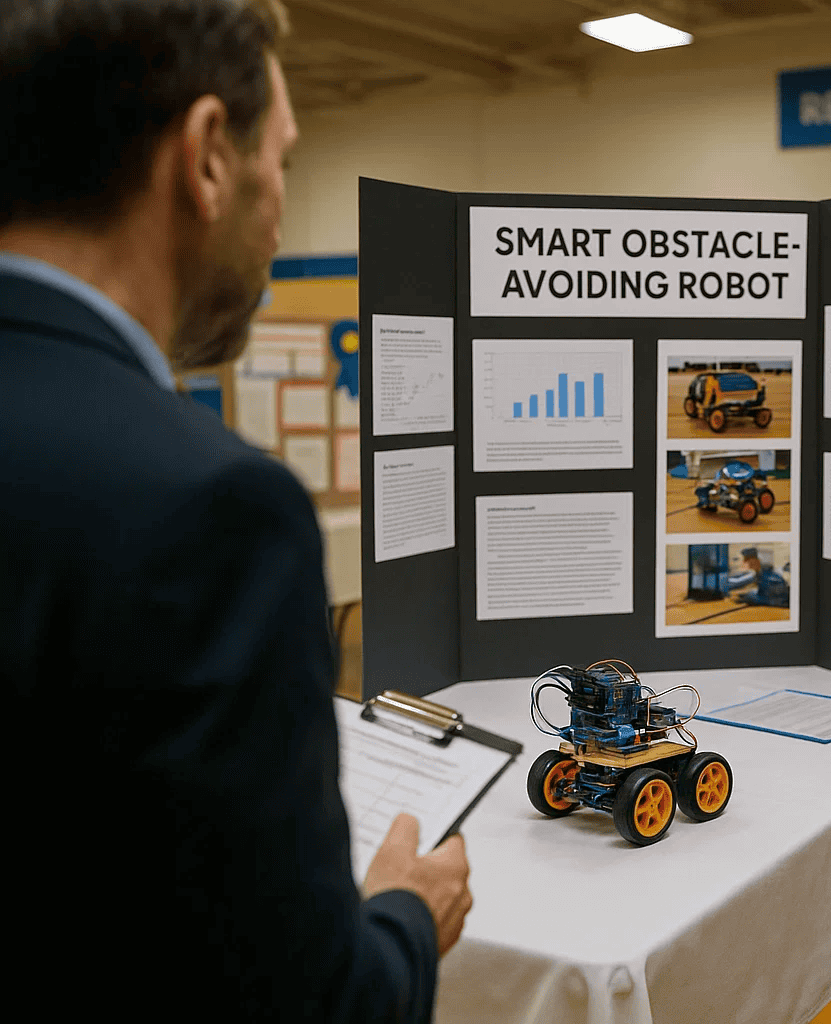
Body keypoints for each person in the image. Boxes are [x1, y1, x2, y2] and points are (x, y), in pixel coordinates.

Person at [0, 2, 470, 1019]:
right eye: (287, 163)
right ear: (209, 155)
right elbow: (313, 1003)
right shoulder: (213, 512)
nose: (283, 209)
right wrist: (401, 915)